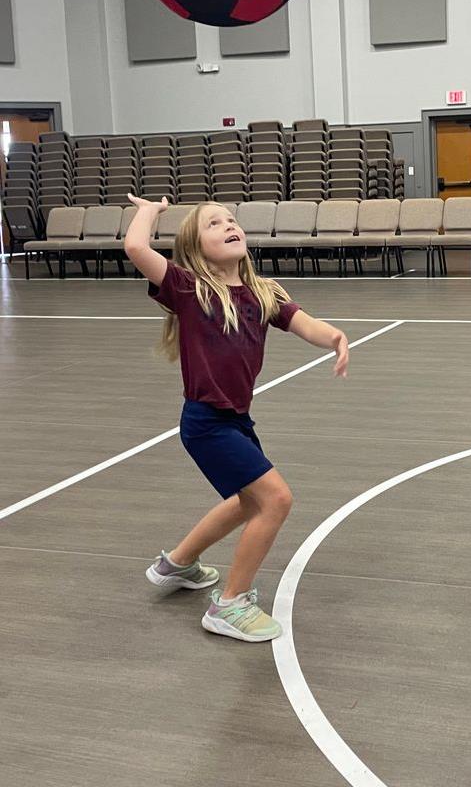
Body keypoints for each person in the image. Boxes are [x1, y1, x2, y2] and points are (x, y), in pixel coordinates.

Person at [125, 194, 349, 642]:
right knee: (276, 500)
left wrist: (335, 337)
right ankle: (229, 604)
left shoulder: (263, 292)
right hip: (205, 423)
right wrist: (150, 211)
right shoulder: (189, 289)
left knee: (248, 502)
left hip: (236, 421)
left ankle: (178, 564)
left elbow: (304, 323)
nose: (229, 225)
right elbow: (135, 248)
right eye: (214, 223)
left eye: (232, 219)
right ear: (194, 245)